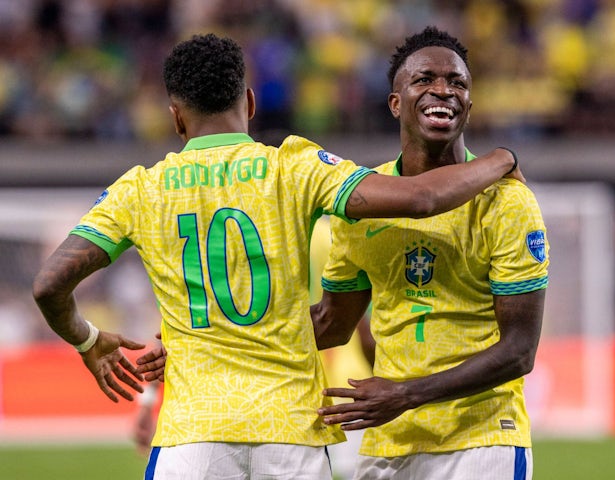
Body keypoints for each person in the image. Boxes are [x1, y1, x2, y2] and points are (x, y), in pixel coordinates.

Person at [32, 33, 521, 480]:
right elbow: (419, 199)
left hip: (192, 438)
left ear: (176, 116)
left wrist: (87, 339)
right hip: (290, 438)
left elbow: (49, 285)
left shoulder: (139, 188)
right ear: (248, 101)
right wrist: (502, 159)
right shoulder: (293, 167)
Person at [312, 26, 549, 480]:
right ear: (395, 103)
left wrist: (405, 393)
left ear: (469, 105)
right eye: (424, 80)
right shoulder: (362, 203)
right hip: (389, 440)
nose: (443, 90)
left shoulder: (506, 202)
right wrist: (204, 341)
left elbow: (520, 350)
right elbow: (331, 322)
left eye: (457, 83)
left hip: (482, 440)